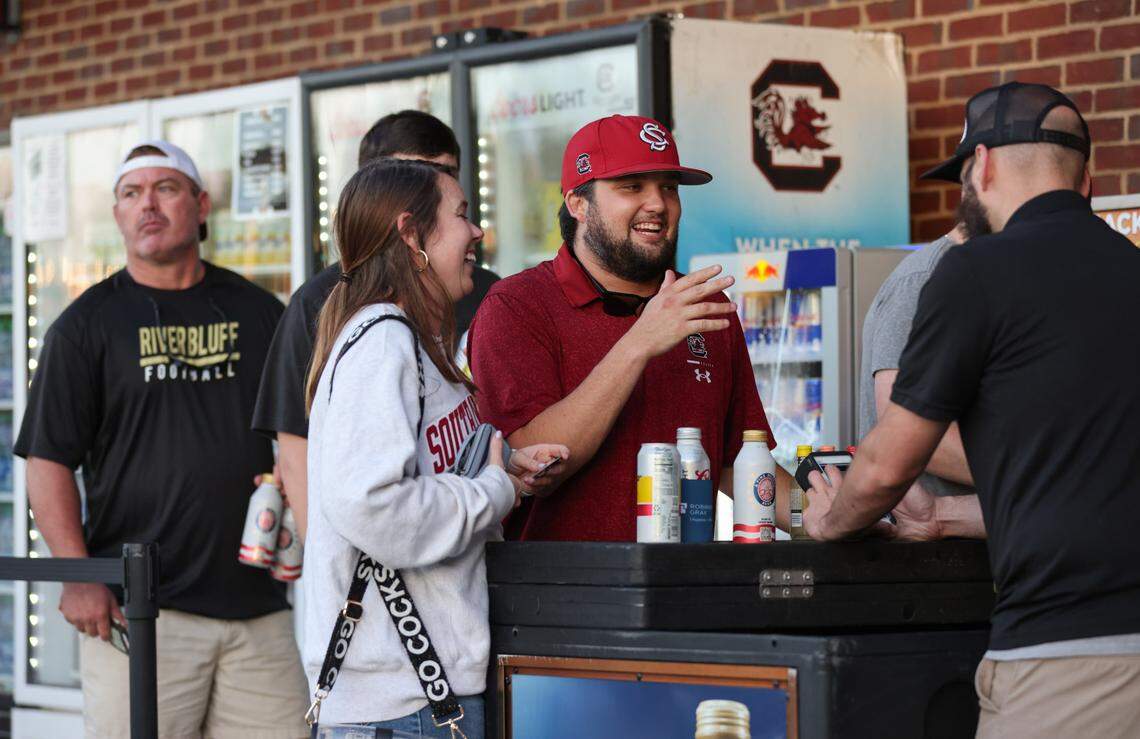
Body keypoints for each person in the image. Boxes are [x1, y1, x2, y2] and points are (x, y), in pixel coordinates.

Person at [803, 82, 1140, 737]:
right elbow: (1086, 479)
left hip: (1060, 663)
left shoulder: (974, 272)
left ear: (980, 165)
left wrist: (829, 521)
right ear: (1087, 178)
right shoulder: (1134, 272)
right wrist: (944, 516)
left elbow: (881, 468)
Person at [14, 141, 309, 738]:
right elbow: (47, 462)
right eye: (131, 193)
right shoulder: (84, 326)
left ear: (201, 205)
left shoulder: (260, 312)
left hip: (259, 611)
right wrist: (77, 574)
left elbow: (300, 437)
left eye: (166, 189)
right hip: (142, 613)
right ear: (118, 215)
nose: (147, 204)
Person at [302, 158, 566, 736]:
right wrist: (492, 493)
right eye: (462, 216)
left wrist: (502, 470)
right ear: (411, 234)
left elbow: (420, 475)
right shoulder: (384, 340)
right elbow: (371, 503)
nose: (476, 234)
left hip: (417, 696)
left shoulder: (406, 341)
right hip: (406, 703)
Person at [469, 114, 791, 541]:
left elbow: (738, 460)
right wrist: (639, 342)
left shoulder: (705, 305)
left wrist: (832, 515)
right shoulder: (518, 305)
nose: (658, 204)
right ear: (578, 204)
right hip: (558, 593)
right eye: (632, 186)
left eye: (669, 187)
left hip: (685, 589)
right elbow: (538, 464)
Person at [251, 110, 499, 539]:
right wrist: (328, 577)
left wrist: (505, 471)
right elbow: (306, 456)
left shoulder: (483, 288)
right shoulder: (358, 321)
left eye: (447, 174)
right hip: (387, 595)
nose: (437, 188)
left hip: (464, 570)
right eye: (417, 173)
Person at [859, 222, 975, 502]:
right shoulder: (923, 280)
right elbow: (900, 435)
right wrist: (1036, 476)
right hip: (927, 539)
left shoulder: (987, 274)